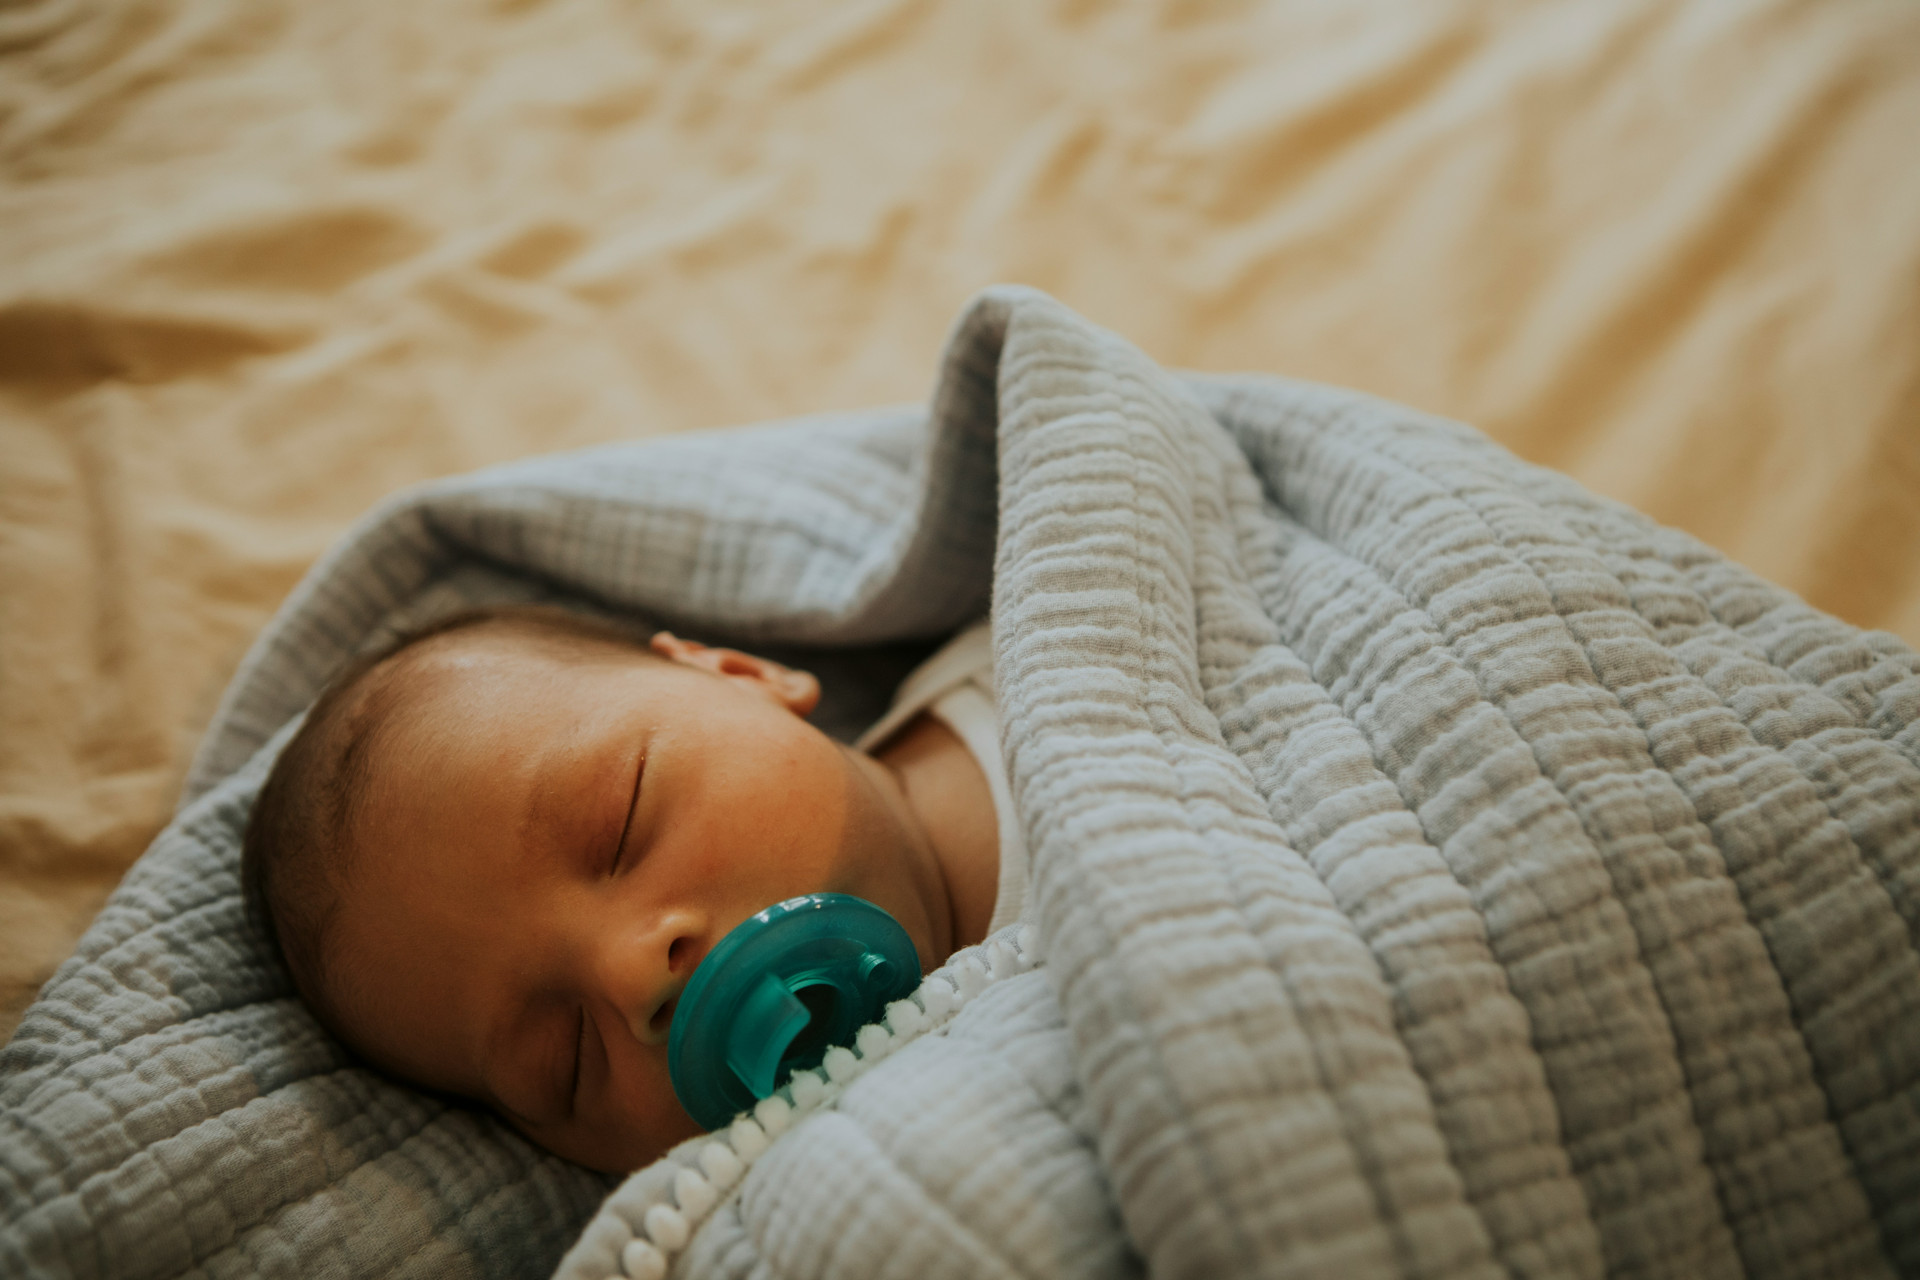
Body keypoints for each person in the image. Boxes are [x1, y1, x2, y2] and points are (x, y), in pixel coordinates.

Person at [240, 607, 1025, 1174]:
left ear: (741, 674)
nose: (634, 976)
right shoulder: (885, 1188)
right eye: (566, 1057)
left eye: (621, 828)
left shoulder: (1029, 646)